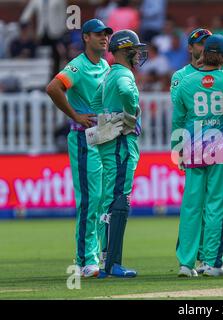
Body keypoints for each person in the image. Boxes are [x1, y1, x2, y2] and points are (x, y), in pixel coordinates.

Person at [170, 28, 223, 275]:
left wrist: (178, 149)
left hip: (194, 147)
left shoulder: (185, 82)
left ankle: (185, 263)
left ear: (204, 53)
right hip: (222, 149)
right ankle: (212, 262)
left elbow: (178, 119)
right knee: (217, 205)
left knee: (191, 205)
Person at [46, 19, 113, 278]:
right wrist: (75, 115)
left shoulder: (106, 65)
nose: (104, 38)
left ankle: (99, 255)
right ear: (86, 37)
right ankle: (86, 259)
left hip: (103, 136)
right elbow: (53, 88)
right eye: (98, 35)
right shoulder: (78, 65)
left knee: (103, 198)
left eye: (106, 34)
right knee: (90, 199)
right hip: (84, 138)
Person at [89, 29, 148, 278]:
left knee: (108, 200)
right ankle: (113, 263)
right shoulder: (123, 74)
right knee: (119, 199)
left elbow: (93, 104)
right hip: (121, 145)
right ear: (126, 51)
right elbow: (126, 91)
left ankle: (106, 260)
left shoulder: (108, 74)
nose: (138, 56)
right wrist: (130, 113)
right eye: (135, 51)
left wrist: (105, 120)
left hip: (110, 144)